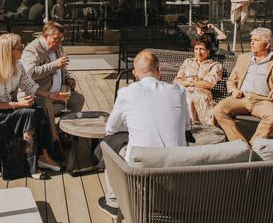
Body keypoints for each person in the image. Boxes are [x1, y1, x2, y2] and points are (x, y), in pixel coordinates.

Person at [99, 50, 190, 217]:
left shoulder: (126, 93)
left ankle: (113, 201)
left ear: (134, 73)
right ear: (159, 69)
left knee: (109, 143)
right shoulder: (179, 91)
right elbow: (186, 127)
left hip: (141, 172)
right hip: (178, 169)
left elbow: (110, 129)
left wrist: (132, 124)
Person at [0, 33, 63, 177]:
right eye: (19, 48)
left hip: (6, 104)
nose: (23, 49)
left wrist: (52, 96)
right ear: (8, 50)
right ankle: (32, 167)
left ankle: (43, 155)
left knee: (39, 111)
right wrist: (18, 104)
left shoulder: (18, 65)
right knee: (29, 113)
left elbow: (31, 87)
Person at [213, 28, 273, 143]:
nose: (252, 43)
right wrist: (234, 90)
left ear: (267, 45)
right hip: (241, 98)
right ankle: (240, 144)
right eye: (251, 40)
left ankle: (254, 144)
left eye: (256, 40)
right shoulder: (243, 58)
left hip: (263, 100)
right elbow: (231, 80)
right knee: (218, 110)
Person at [21, 21, 85, 144]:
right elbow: (30, 73)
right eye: (56, 39)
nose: (59, 43)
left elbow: (63, 69)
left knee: (78, 99)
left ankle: (63, 130)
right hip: (40, 94)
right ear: (45, 36)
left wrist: (68, 79)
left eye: (61, 39)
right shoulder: (32, 49)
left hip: (58, 93)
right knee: (47, 104)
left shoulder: (58, 47)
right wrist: (54, 65)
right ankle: (53, 139)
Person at [173, 36, 222, 125]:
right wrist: (197, 82)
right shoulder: (188, 62)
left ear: (208, 51)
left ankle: (200, 127)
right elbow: (176, 81)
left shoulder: (214, 65)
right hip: (185, 92)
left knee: (193, 97)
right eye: (196, 49)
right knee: (185, 96)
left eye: (202, 49)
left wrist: (189, 82)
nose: (198, 52)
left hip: (202, 94)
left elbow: (208, 84)